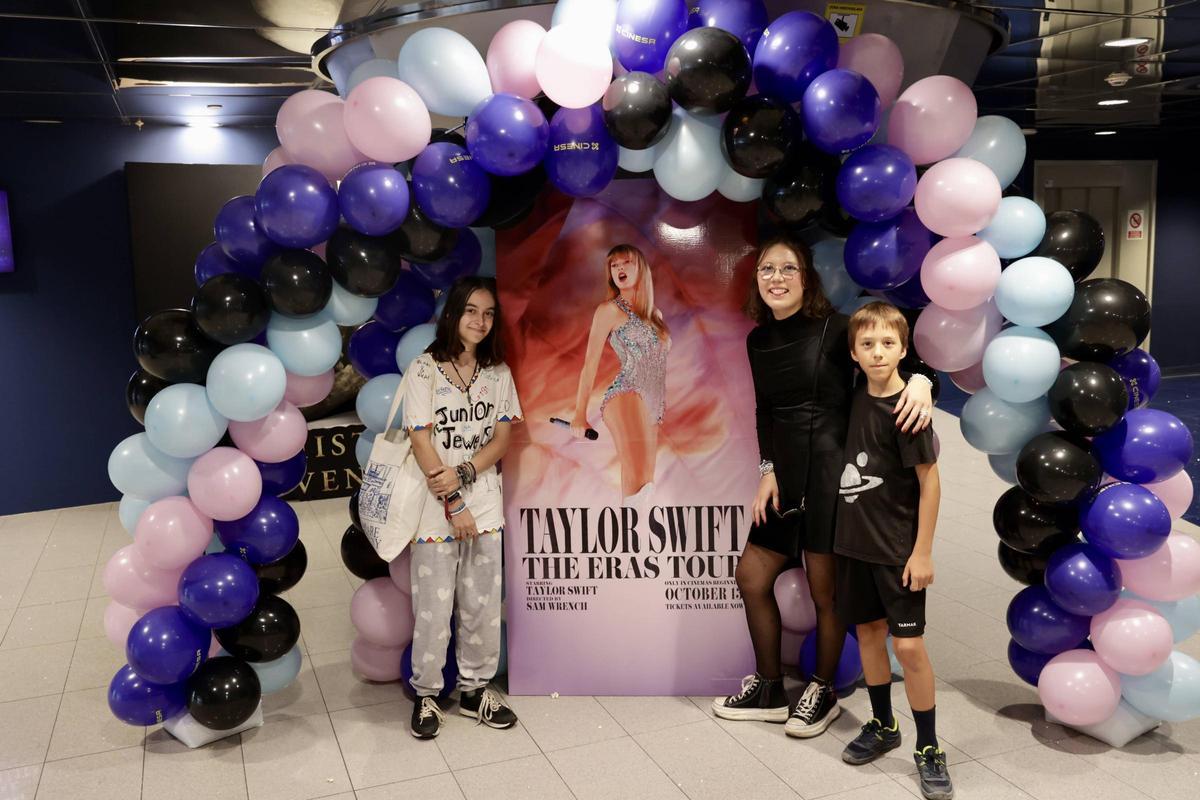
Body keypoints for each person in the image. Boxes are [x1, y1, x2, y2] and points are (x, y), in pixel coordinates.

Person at [711, 236, 933, 739]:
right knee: (750, 576)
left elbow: (890, 354)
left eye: (788, 268)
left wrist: (922, 382)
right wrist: (767, 468)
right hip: (785, 475)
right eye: (767, 268)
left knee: (823, 592)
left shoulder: (836, 329)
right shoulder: (758, 340)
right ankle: (769, 688)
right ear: (757, 279)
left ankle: (822, 689)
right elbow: (765, 410)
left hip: (834, 475)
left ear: (805, 277)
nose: (776, 277)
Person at [835, 301, 951, 800]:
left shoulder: (910, 411)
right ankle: (884, 725)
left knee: (907, 647)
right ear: (854, 353)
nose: (878, 352)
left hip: (897, 550)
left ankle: (928, 747)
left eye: (888, 343)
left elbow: (931, 483)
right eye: (867, 344)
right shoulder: (856, 393)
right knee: (867, 635)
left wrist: (922, 552)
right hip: (853, 546)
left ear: (904, 349)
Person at [402, 275, 523, 740]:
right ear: (453, 314)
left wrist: (468, 475)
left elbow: (503, 437)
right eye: (472, 310)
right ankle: (428, 694)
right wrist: (453, 500)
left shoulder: (498, 374)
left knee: (481, 603)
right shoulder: (424, 370)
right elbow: (420, 437)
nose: (480, 321)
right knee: (433, 606)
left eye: (489, 313)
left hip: (486, 506)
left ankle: (475, 690)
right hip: (436, 512)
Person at [569, 244, 670, 504]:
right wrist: (579, 415)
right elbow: (589, 364)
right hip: (626, 394)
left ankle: (634, 542)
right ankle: (634, 539)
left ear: (642, 269)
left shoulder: (655, 315)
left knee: (645, 484)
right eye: (614, 265)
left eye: (626, 262)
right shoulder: (608, 310)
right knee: (638, 477)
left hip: (653, 404)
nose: (620, 268)